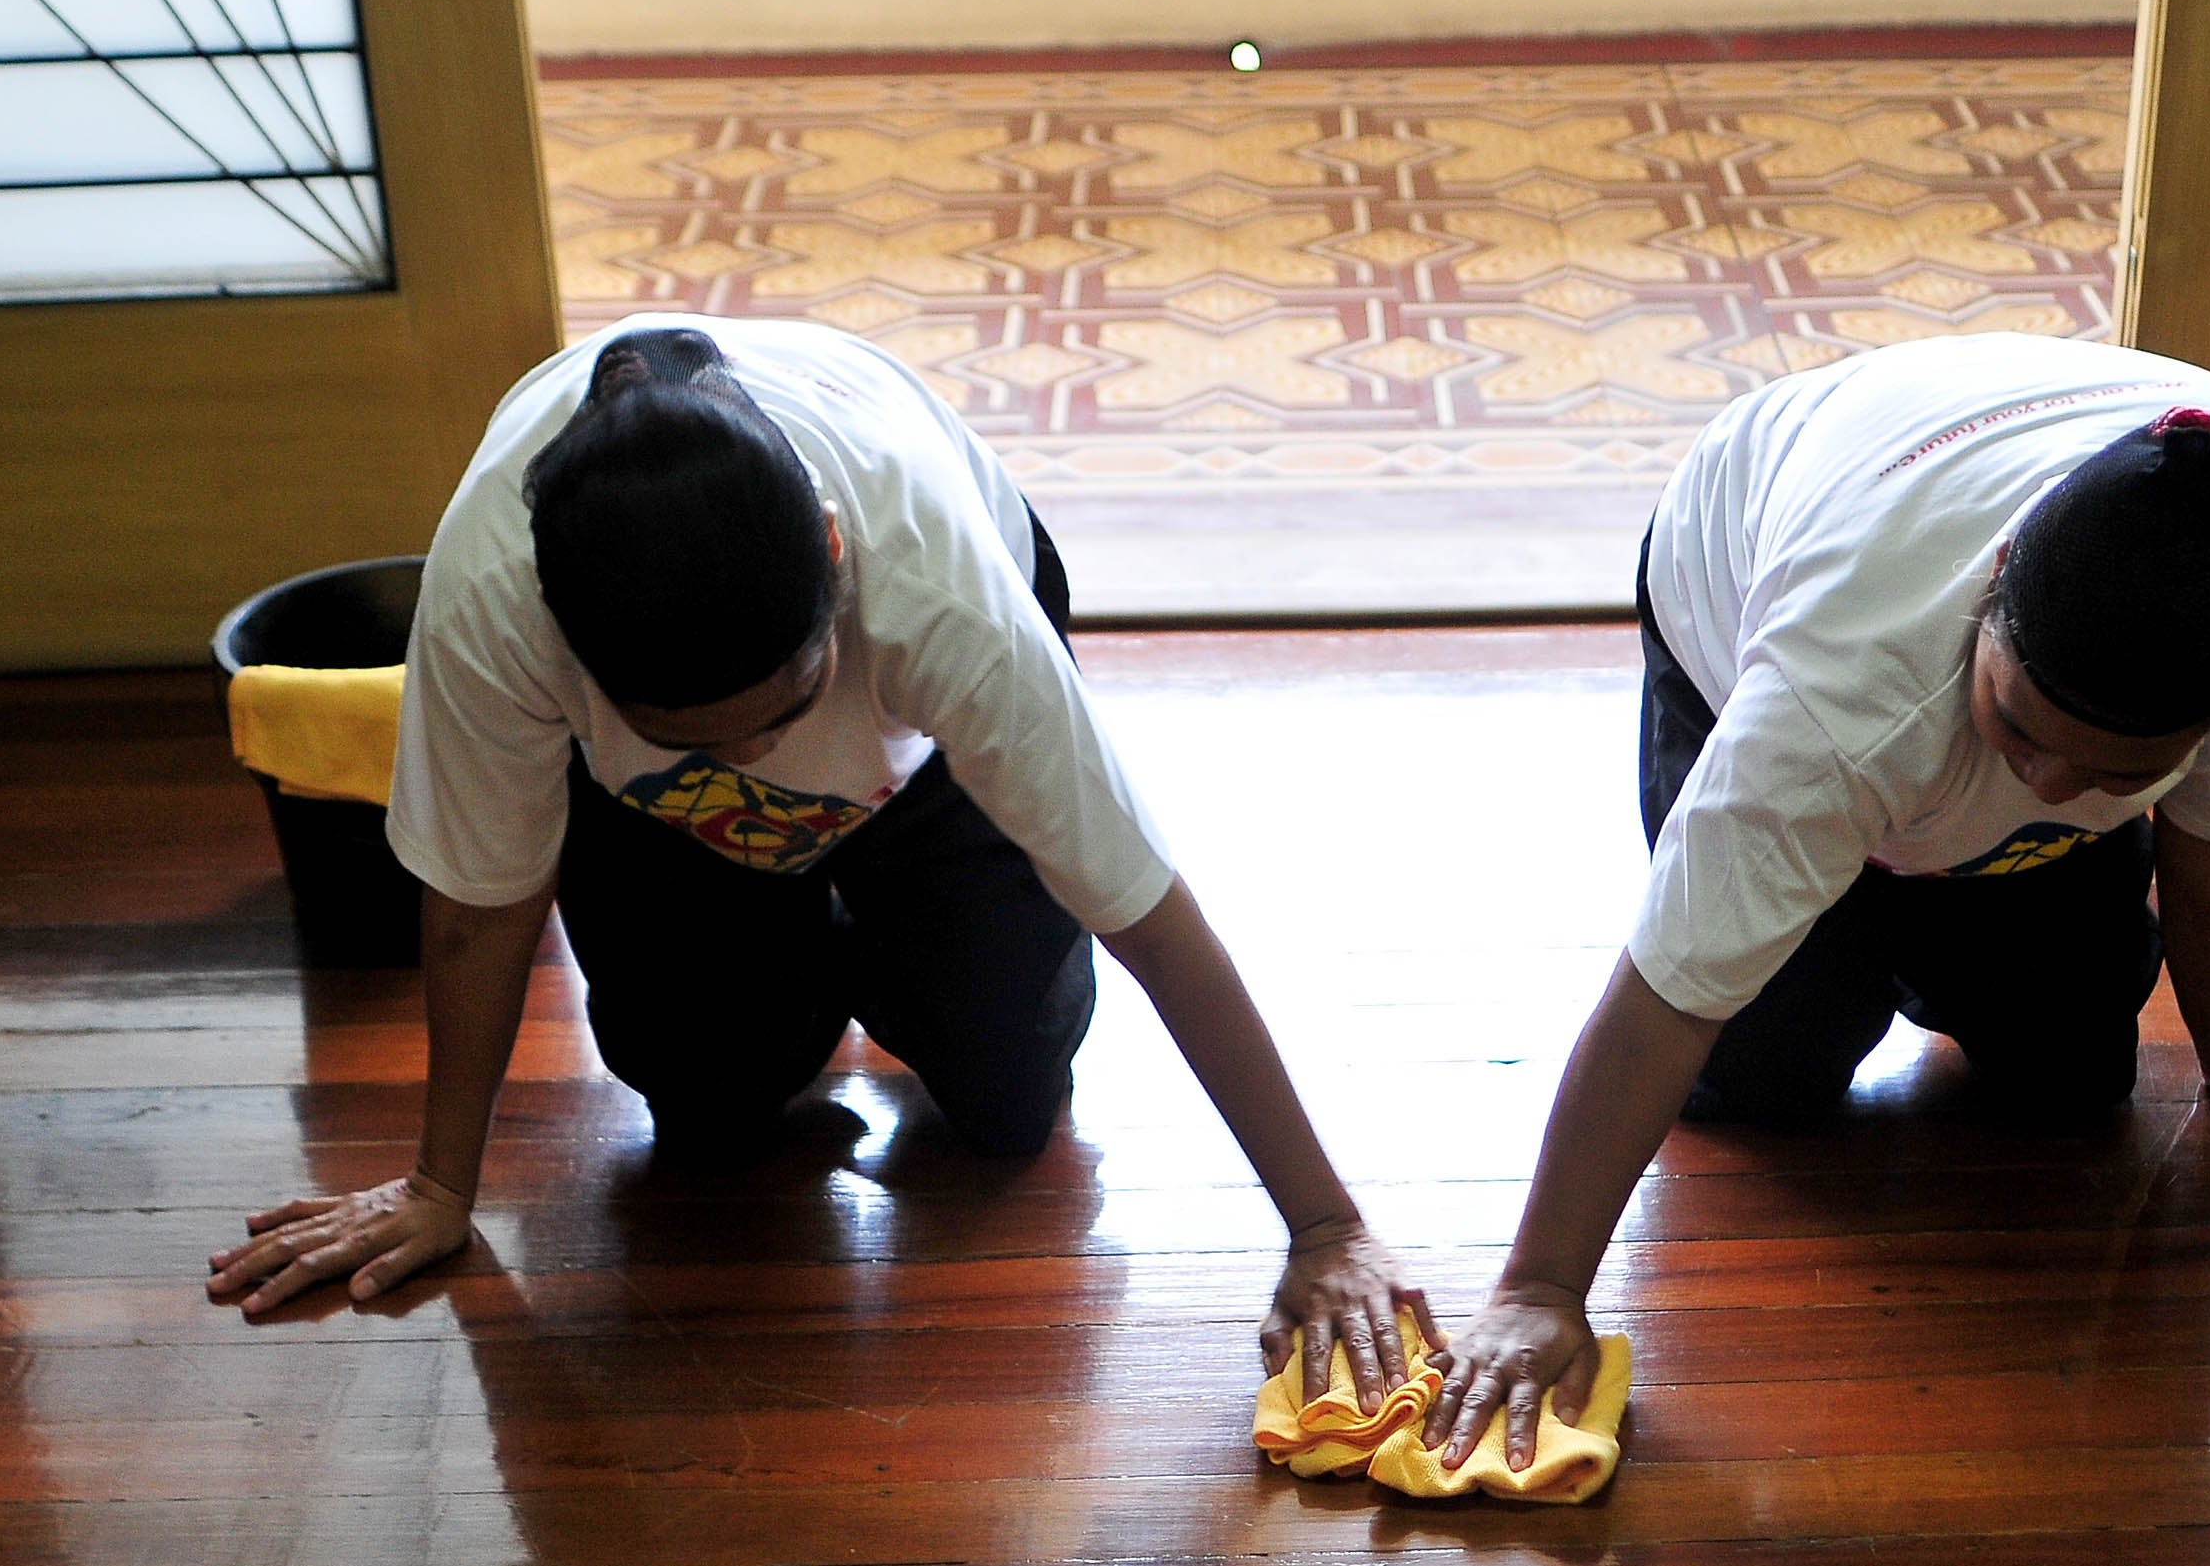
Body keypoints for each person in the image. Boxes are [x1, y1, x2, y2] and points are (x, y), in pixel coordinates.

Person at [207, 316, 1422, 1399]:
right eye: (702, 735)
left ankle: (892, 933)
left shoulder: (940, 589)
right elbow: (480, 903)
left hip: (921, 762)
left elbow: (1145, 910)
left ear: (836, 554)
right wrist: (439, 1186)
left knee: (1006, 1098)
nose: (758, 759)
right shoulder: (493, 605)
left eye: (783, 717)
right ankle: (787, 948)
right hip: (658, 815)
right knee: (709, 1105)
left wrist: (1325, 1225)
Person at [1422, 335, 2210, 1470]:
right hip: (1754, 560)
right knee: (1762, 1076)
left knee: (2071, 1079)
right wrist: (1539, 1287)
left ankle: (1912, 896)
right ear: (1997, 575)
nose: (2047, 788)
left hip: (1916, 702)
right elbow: (1668, 995)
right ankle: (1860, 910)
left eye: (2116, 772)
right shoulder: (1838, 686)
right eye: (2021, 730)